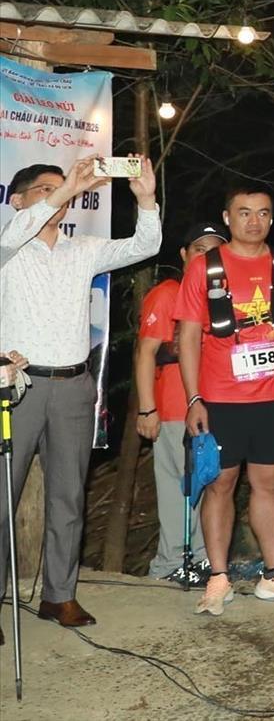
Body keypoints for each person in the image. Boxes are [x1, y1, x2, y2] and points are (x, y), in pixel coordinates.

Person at [1, 156, 160, 627]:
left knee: (69, 496)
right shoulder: (10, 245)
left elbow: (146, 245)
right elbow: (14, 234)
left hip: (73, 386)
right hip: (17, 388)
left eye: (64, 190)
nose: (61, 197)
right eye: (46, 190)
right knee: (2, 497)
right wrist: (67, 186)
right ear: (17, 201)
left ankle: (59, 595)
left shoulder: (82, 248)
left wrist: (146, 199)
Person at [175, 182, 274, 614]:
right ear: (228, 217)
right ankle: (218, 577)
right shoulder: (205, 268)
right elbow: (188, 336)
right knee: (220, 484)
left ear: (272, 218)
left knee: (269, 483)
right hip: (220, 398)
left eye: (263, 213)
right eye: (244, 212)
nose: (254, 221)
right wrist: (194, 398)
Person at [134, 222, 224, 587]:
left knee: (206, 482)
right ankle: (170, 563)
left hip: (214, 405)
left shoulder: (219, 298)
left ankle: (200, 559)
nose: (207, 257)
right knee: (178, 487)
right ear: (185, 254)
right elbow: (145, 352)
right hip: (173, 407)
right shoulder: (168, 293)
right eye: (200, 249)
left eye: (214, 251)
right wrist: (147, 409)